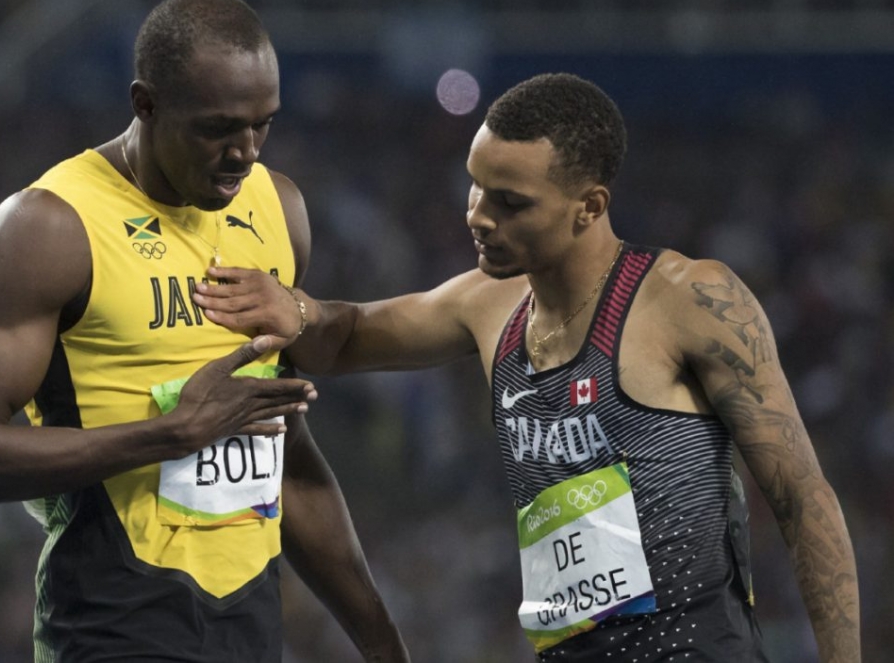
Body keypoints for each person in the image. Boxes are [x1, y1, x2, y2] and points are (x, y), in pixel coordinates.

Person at [193, 73, 861, 662]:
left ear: (589, 207)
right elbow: (347, 335)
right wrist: (295, 309)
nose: (478, 217)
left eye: (510, 202)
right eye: (475, 188)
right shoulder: (488, 304)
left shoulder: (687, 299)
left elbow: (804, 501)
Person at [0, 0, 410, 663]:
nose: (245, 152)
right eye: (218, 128)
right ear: (145, 103)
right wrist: (170, 433)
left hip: (252, 628)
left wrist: (383, 644)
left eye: (262, 124)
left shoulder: (278, 208)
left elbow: (286, 456)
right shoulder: (51, 226)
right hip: (112, 627)